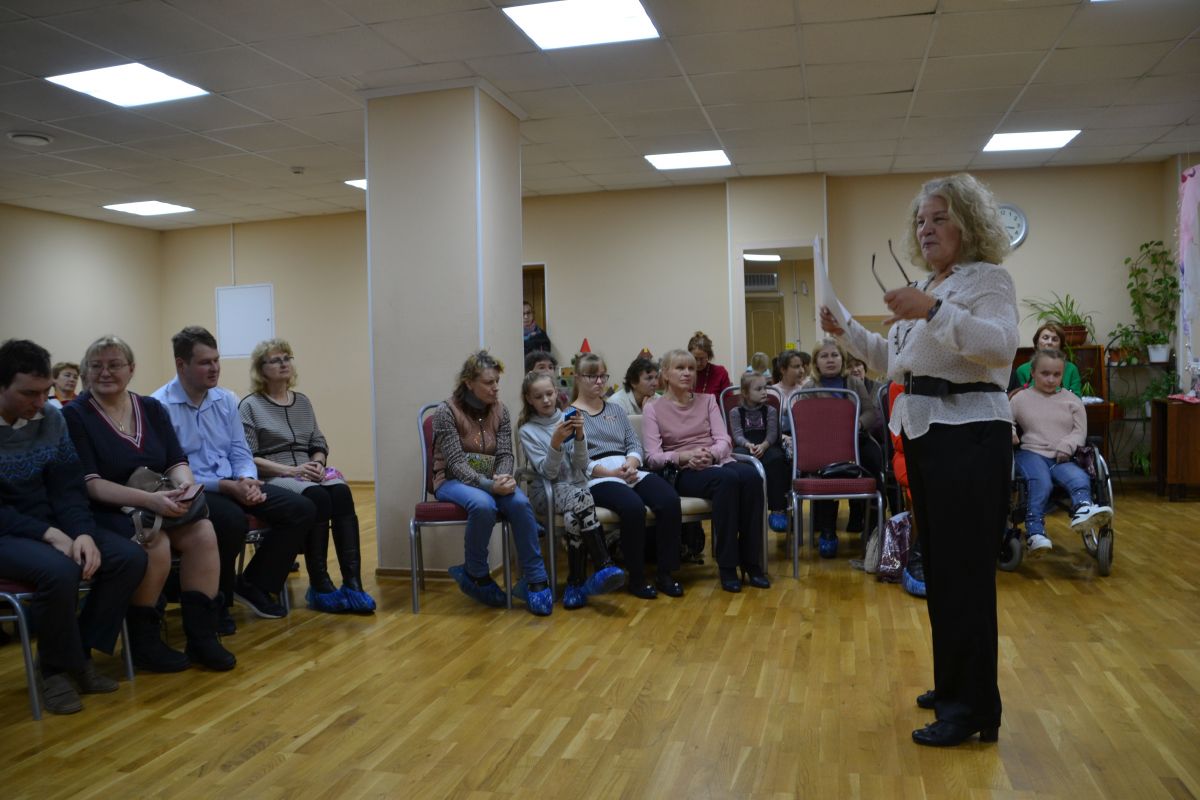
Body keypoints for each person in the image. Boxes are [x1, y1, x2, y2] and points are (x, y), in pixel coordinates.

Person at [820, 173, 1018, 747]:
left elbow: (999, 346)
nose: (925, 229)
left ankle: (973, 708)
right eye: (920, 220)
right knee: (942, 572)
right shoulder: (927, 285)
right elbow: (895, 361)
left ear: (968, 224)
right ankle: (956, 684)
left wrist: (931, 309)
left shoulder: (988, 280)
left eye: (938, 218)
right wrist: (846, 329)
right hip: (928, 434)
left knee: (965, 575)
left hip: (971, 435)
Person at [64, 336, 235, 672]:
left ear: (131, 369)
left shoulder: (151, 408)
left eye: (115, 365)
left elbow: (175, 460)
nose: (105, 372)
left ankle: (202, 636)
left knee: (203, 532)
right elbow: (91, 484)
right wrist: (150, 501)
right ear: (86, 371)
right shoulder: (75, 415)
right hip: (107, 509)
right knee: (155, 541)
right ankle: (144, 641)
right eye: (96, 366)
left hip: (158, 501)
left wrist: (185, 488)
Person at [0, 339, 146, 714]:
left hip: (50, 524)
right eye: (29, 393)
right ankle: (54, 670)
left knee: (128, 557)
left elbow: (68, 487)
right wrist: (49, 534)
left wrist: (82, 532)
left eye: (45, 391)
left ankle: (76, 654)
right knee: (60, 570)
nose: (40, 401)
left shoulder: (51, 418)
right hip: (9, 532)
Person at [152, 327, 311, 630]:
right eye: (205, 362)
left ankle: (253, 584)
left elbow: (240, 451)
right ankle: (217, 601)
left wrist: (247, 479)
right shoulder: (159, 405)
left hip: (233, 482)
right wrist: (225, 486)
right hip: (195, 488)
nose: (214, 368)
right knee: (231, 520)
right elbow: (167, 469)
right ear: (181, 365)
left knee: (300, 509)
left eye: (216, 360)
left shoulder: (225, 399)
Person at [239, 339, 376, 614]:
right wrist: (291, 471)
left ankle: (353, 583)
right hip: (276, 473)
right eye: (275, 360)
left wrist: (317, 462)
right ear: (261, 370)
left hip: (307, 469)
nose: (283, 364)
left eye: (286, 358)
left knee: (341, 492)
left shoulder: (302, 401)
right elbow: (248, 456)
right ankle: (320, 584)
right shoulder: (250, 406)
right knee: (317, 496)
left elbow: (318, 441)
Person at [432, 350, 552, 616]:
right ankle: (476, 574)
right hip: (452, 481)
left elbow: (506, 454)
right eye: (489, 382)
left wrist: (504, 476)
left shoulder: (501, 410)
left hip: (492, 481)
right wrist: (489, 486)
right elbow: (456, 464)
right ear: (469, 383)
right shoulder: (445, 412)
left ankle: (535, 579)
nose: (496, 387)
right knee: (483, 505)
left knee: (520, 503)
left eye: (497, 381)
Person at [643, 348, 768, 593]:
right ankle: (728, 565)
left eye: (691, 368)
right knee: (726, 480)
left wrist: (711, 454)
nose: (687, 373)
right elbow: (653, 457)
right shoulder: (653, 408)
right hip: (682, 471)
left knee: (752, 477)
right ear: (665, 374)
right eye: (680, 368)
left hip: (716, 461)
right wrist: (684, 456)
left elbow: (724, 440)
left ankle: (751, 561)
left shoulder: (708, 400)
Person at [571, 352, 683, 599]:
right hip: (598, 476)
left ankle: (665, 573)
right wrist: (611, 473)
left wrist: (631, 463)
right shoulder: (570, 415)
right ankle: (637, 578)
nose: (599, 381)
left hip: (628, 468)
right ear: (578, 378)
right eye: (592, 376)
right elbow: (578, 459)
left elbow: (633, 443)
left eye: (603, 376)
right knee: (633, 507)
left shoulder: (615, 410)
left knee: (669, 499)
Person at [518, 371, 626, 609]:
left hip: (576, 490)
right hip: (547, 492)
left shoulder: (570, 417)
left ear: (557, 392)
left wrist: (579, 436)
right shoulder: (527, 431)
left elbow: (582, 464)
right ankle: (603, 563)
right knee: (582, 496)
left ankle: (575, 584)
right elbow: (548, 473)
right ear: (529, 399)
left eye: (549, 393)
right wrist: (555, 443)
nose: (546, 400)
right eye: (538, 396)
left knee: (573, 519)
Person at [1009, 349, 1112, 556]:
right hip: (1030, 453)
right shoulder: (1020, 399)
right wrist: (1010, 432)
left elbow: (1080, 432)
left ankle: (1083, 508)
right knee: (1041, 482)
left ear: (1062, 374)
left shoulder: (1072, 400)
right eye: (1045, 373)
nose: (1051, 379)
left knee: (1078, 477)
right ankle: (1035, 531)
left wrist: (1067, 445)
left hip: (1062, 455)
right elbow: (1006, 421)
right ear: (1033, 372)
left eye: (1056, 374)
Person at [798, 338, 884, 557]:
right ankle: (827, 531)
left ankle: (874, 528)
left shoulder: (853, 382)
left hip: (855, 439)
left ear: (842, 359)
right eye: (824, 356)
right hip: (824, 444)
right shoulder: (809, 387)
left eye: (834, 355)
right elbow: (804, 421)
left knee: (874, 458)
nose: (830, 360)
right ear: (816, 362)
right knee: (826, 470)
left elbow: (869, 412)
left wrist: (858, 424)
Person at [729, 372, 790, 534]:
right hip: (746, 446)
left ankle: (778, 509)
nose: (764, 392)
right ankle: (744, 510)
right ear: (745, 393)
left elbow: (772, 433)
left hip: (767, 445)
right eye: (758, 389)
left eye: (765, 388)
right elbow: (737, 434)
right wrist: (748, 445)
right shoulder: (735, 412)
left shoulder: (770, 410)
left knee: (777, 459)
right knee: (741, 462)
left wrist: (763, 446)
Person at [1008, 323, 1083, 396]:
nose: (1050, 342)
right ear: (1037, 342)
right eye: (1045, 338)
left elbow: (1076, 398)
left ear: (1060, 345)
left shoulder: (1071, 369)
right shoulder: (1022, 370)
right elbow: (1021, 397)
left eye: (1055, 339)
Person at [688, 331, 731, 396]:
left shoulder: (720, 372)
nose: (698, 363)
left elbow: (728, 400)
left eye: (702, 359)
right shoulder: (685, 373)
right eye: (695, 358)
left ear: (709, 356)